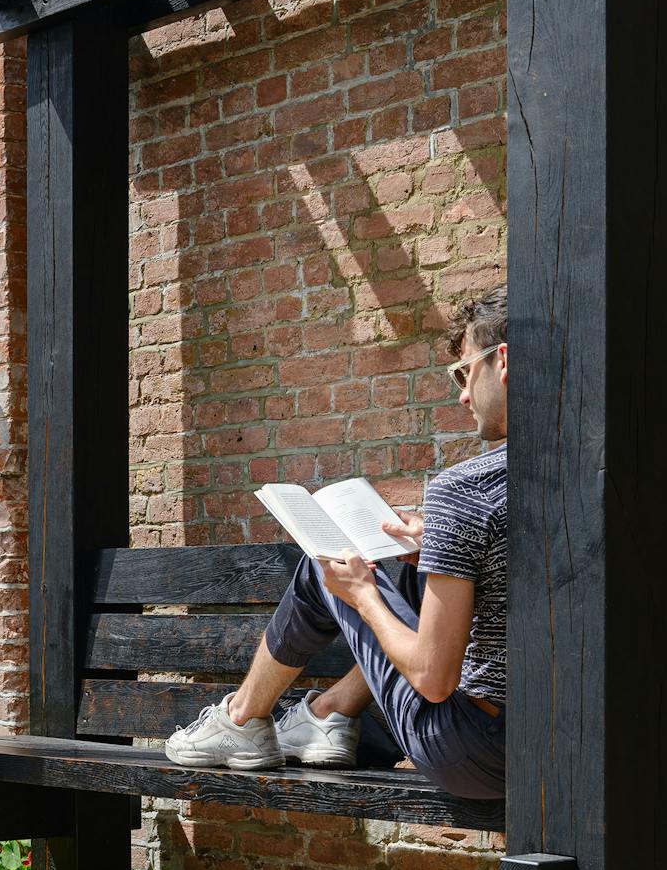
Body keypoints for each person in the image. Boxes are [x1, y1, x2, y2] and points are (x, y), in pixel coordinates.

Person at [165, 289, 509, 800]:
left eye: (464, 373)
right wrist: (433, 545)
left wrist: (363, 595)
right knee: (414, 575)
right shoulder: (584, 477)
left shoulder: (465, 489)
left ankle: (242, 717)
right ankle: (326, 714)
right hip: (573, 749)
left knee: (321, 563)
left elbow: (434, 680)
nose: (460, 394)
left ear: (501, 361)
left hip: (476, 755)